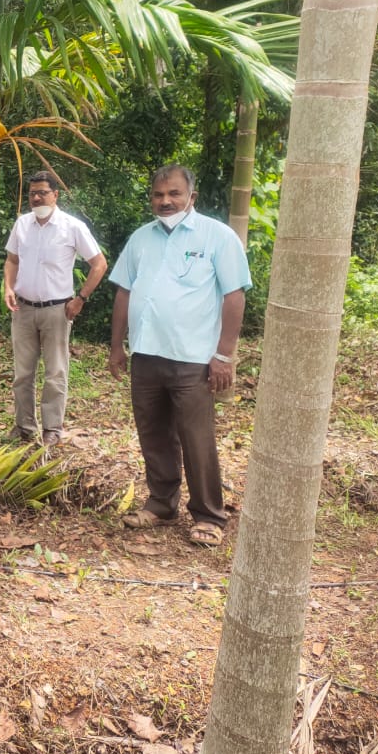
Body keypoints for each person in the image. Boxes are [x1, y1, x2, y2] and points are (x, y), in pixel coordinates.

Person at [107, 164, 251, 548]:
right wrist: (117, 347)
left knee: (196, 438)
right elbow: (124, 292)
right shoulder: (141, 238)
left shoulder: (217, 237)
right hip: (146, 354)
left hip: (193, 358)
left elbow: (234, 295)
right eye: (158, 195)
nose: (165, 201)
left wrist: (224, 355)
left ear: (192, 196)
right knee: (153, 433)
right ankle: (161, 503)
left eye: (174, 193)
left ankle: (209, 515)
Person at [2, 170, 107, 446]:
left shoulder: (72, 227)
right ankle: (24, 426)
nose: (37, 198)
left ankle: (52, 428)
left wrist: (80, 298)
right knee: (22, 372)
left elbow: (99, 264)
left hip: (57, 310)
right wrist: (8, 287)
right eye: (32, 194)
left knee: (55, 371)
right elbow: (12, 260)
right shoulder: (22, 224)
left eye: (42, 193)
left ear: (55, 194)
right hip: (23, 308)